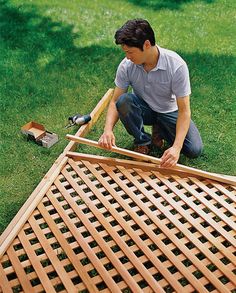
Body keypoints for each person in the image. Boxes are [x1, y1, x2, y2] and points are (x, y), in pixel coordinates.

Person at [98, 19, 203, 168]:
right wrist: (107, 130)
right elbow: (115, 101)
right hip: (144, 109)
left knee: (194, 150)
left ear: (146, 44)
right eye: (125, 52)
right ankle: (142, 141)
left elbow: (184, 110)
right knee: (124, 101)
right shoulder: (127, 65)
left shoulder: (177, 66)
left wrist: (176, 148)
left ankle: (160, 129)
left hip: (168, 111)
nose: (127, 56)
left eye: (130, 52)